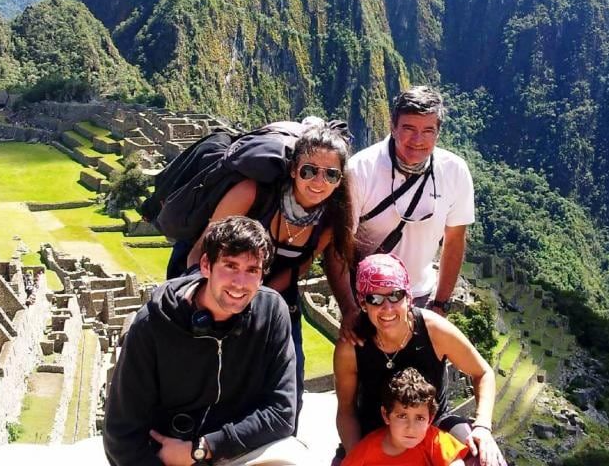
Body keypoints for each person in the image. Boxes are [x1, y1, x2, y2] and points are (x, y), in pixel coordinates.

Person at [103, 216, 306, 466]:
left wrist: (204, 447)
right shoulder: (153, 325)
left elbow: (283, 412)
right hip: (168, 458)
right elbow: (121, 436)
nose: (240, 283)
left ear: (262, 275)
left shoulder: (272, 311)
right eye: (230, 266)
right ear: (206, 265)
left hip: (231, 449)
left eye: (252, 270)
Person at [184, 122, 356, 418]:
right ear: (293, 169)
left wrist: (260, 297)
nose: (318, 181)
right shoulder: (252, 193)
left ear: (339, 180)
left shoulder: (328, 220)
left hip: (274, 290)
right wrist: (204, 298)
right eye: (309, 170)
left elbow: (302, 262)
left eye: (330, 174)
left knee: (290, 378)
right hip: (213, 282)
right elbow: (200, 251)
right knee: (203, 374)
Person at [330, 86, 474, 343]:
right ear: (393, 126)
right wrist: (350, 308)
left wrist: (440, 305)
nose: (418, 140)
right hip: (368, 299)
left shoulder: (455, 172)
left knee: (422, 381)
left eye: (428, 131)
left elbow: (454, 240)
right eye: (409, 128)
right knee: (364, 376)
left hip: (419, 296)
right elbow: (337, 247)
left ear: (438, 134)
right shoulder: (361, 170)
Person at [334, 254, 506, 466]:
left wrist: (482, 426)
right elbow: (346, 410)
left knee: (485, 459)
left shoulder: (434, 330)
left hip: (433, 423)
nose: (387, 308)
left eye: (395, 296)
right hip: (372, 428)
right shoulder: (352, 346)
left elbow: (483, 373)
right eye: (375, 299)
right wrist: (360, 455)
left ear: (408, 297)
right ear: (363, 303)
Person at [342, 367, 468, 466]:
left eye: (420, 418)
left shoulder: (432, 440)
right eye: (402, 416)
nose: (410, 428)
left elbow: (455, 462)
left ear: (430, 419)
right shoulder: (366, 450)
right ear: (386, 415)